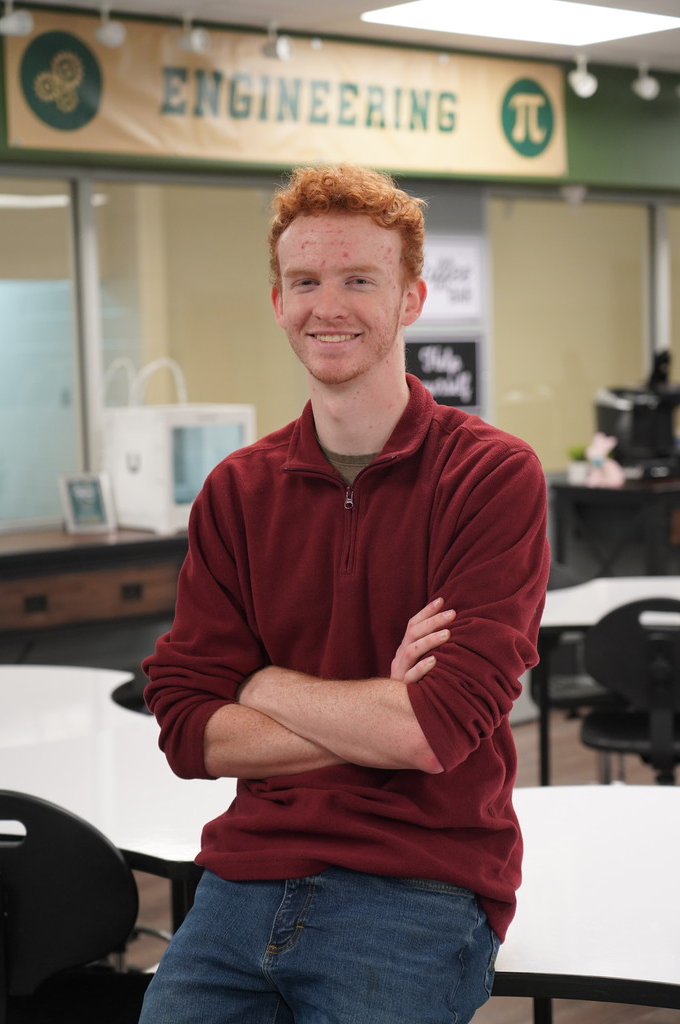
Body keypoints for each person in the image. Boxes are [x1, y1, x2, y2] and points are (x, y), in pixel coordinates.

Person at [140, 164, 550, 1024]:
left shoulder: (490, 477)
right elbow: (184, 727)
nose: (329, 305)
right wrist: (384, 715)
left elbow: (435, 732)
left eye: (360, 279)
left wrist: (262, 682)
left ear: (409, 299)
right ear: (278, 301)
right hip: (247, 870)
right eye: (305, 282)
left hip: (423, 878)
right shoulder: (235, 492)